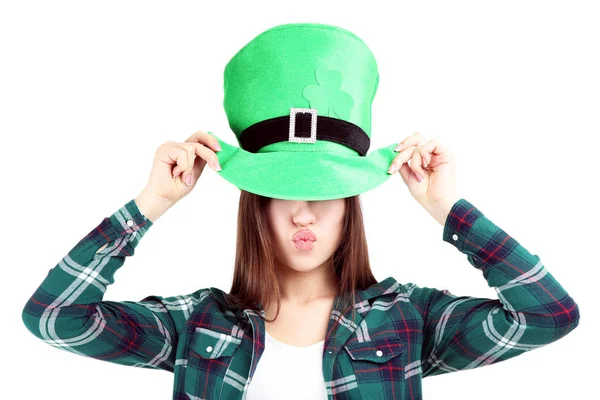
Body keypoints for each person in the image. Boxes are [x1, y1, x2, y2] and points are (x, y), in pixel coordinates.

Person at [22, 22, 580, 400]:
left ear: (350, 206)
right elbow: (55, 320)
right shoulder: (197, 323)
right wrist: (150, 205)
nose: (305, 214)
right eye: (283, 191)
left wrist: (446, 207)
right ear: (255, 209)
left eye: (323, 191)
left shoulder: (410, 319)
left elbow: (548, 315)